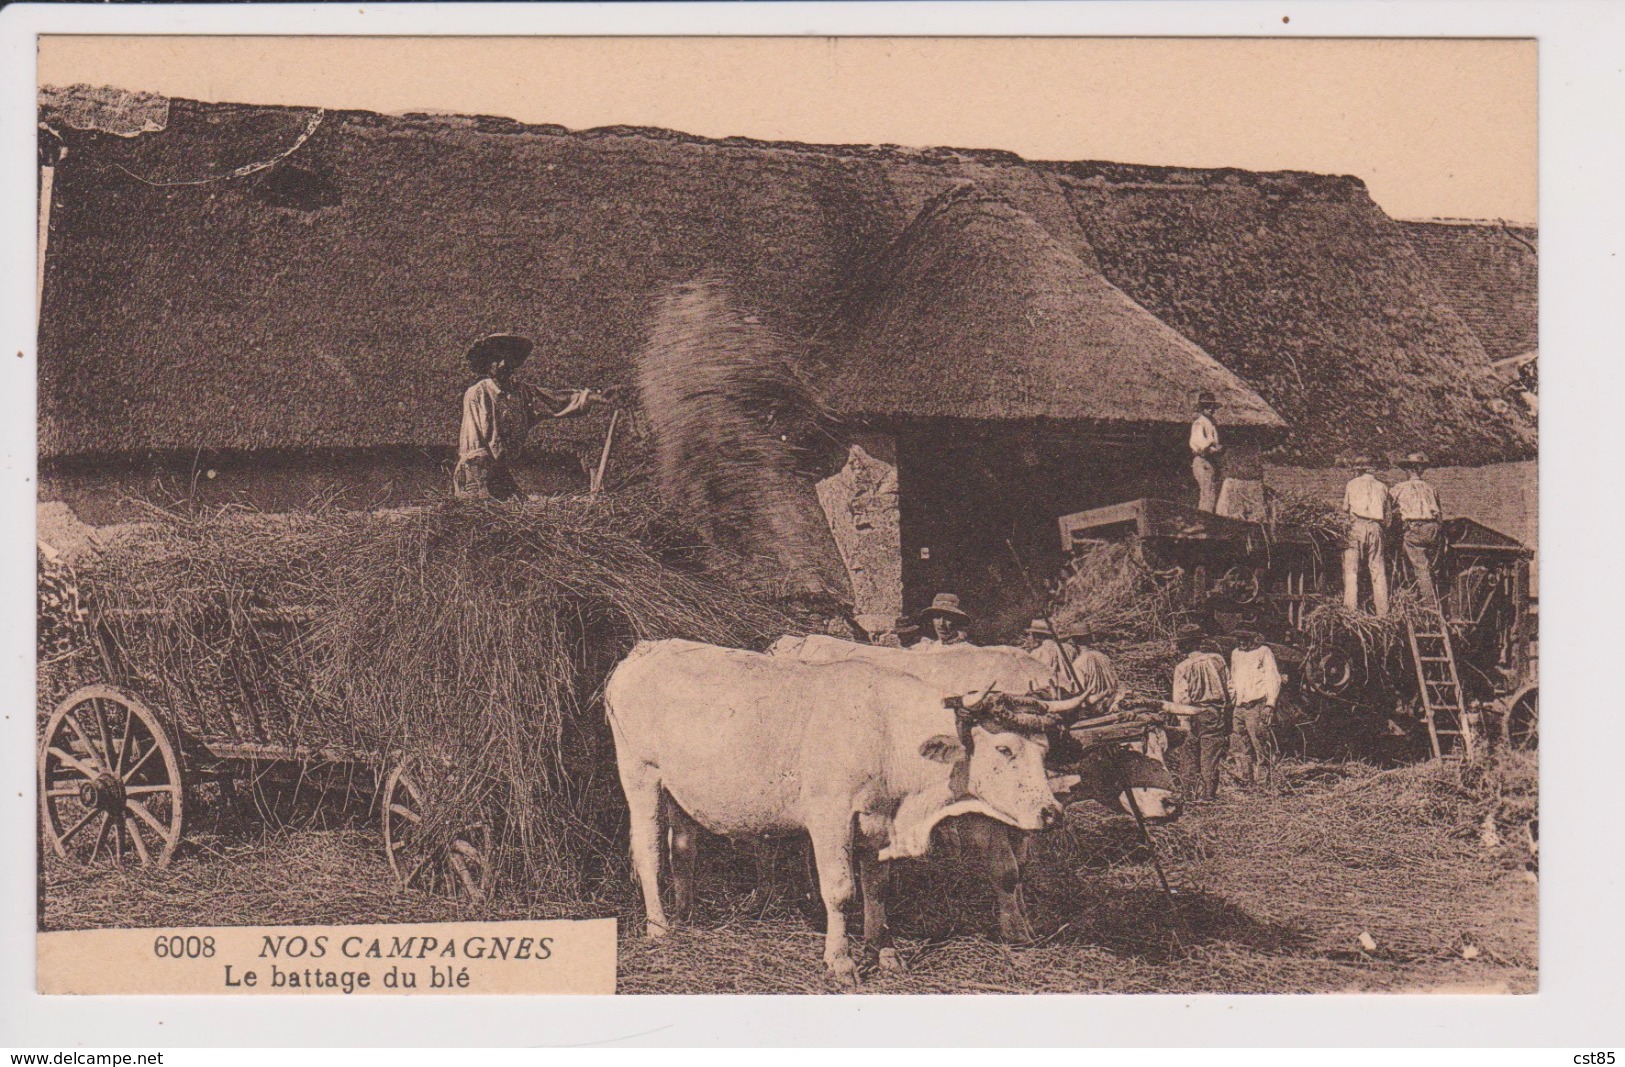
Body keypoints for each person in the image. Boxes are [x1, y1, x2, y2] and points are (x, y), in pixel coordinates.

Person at [454, 333, 603, 500]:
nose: (503, 364)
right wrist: (491, 485)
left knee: (522, 509)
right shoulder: (477, 393)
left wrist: (596, 397)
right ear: (487, 362)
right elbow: (475, 448)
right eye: (497, 359)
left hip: (501, 471)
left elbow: (557, 400)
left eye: (508, 358)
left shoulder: (522, 393)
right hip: (476, 473)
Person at [1163, 623, 1232, 804]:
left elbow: (1180, 697)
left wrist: (1183, 720)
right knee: (1210, 754)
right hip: (1214, 711)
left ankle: (1188, 795)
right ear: (1200, 642)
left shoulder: (1183, 667)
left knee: (1189, 754)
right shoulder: (1218, 660)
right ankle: (1208, 796)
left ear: (1185, 645)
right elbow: (1230, 689)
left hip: (1191, 711)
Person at [1228, 628, 1282, 788]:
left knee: (1260, 744)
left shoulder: (1263, 652)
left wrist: (1269, 704)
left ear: (1254, 639)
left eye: (1246, 639)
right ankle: (1246, 780)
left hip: (1256, 706)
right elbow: (1232, 677)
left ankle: (1264, 783)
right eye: (1239, 639)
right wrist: (1233, 700)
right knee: (1241, 745)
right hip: (1239, 707)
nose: (1242, 642)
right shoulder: (1235, 653)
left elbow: (1273, 678)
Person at [1390, 452, 1444, 604]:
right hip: (1432, 528)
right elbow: (1439, 514)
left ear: (1408, 470)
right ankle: (1429, 594)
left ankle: (1430, 606)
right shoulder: (1431, 488)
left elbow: (1386, 506)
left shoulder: (1400, 488)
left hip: (1415, 529)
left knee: (1421, 568)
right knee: (1431, 566)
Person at [1341, 454, 1390, 615]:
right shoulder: (1382, 487)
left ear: (1359, 470)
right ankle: (1383, 611)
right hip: (1376, 526)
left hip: (1356, 526)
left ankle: (1350, 609)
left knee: (1352, 569)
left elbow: (1345, 509)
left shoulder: (1352, 484)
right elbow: (1387, 516)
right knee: (1378, 569)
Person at [1189, 391, 1225, 512]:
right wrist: (1212, 448)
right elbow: (1199, 442)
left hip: (1209, 461)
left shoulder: (1211, 423)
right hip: (1202, 460)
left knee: (1210, 491)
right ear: (1201, 408)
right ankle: (1204, 520)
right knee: (1207, 493)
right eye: (1206, 406)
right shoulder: (1200, 422)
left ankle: (1207, 519)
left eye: (1212, 407)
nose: (1210, 409)